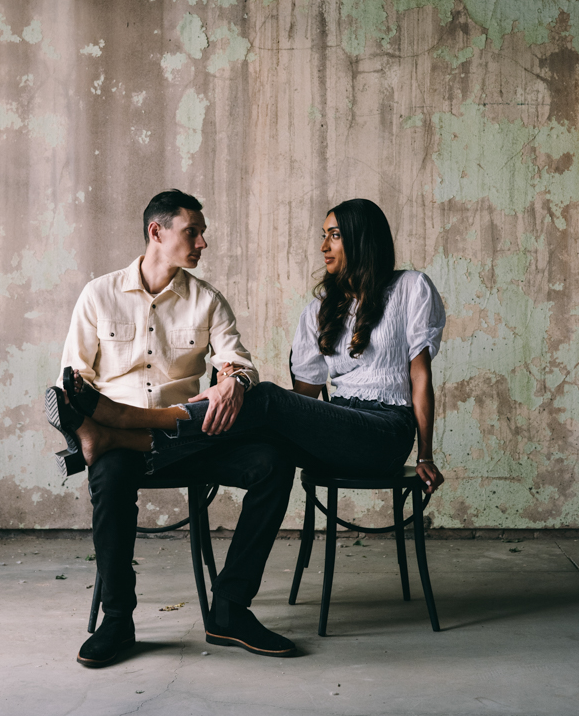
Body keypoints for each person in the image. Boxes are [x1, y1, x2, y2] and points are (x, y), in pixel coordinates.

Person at [56, 198, 446, 558]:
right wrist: (247, 405)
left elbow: (420, 377)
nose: (324, 246)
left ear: (362, 240)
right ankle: (113, 439)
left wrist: (425, 453)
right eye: (324, 236)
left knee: (261, 399)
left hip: (384, 433)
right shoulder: (319, 311)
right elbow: (305, 404)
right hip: (337, 429)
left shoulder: (411, 288)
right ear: (157, 232)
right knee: (261, 427)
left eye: (335, 235)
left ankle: (125, 422)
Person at [47, 189, 297, 667]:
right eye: (193, 232)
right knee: (110, 474)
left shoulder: (207, 302)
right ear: (156, 232)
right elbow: (72, 383)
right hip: (125, 451)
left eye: (202, 233)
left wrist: (233, 383)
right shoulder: (98, 295)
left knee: (273, 461)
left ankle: (229, 608)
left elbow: (239, 364)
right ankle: (118, 619)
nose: (203, 242)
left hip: (190, 442)